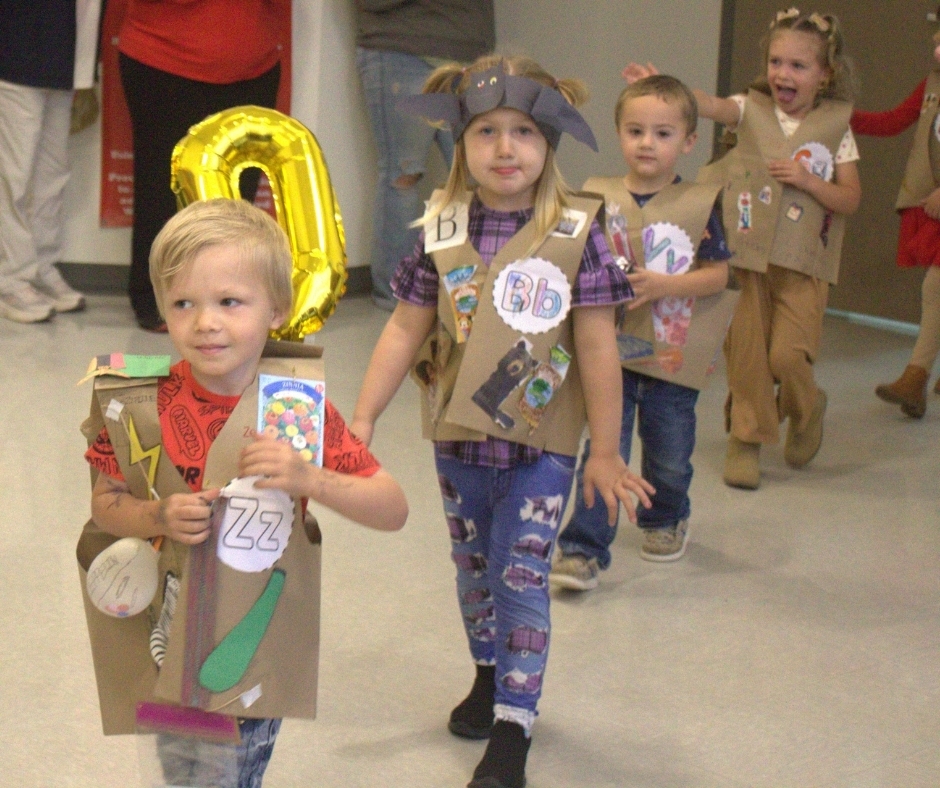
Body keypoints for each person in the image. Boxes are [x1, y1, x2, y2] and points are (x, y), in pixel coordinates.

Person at [350, 55, 654, 788]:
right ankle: (489, 675)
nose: (506, 148)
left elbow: (598, 347)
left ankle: (515, 726)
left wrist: (606, 454)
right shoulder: (440, 227)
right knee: (474, 571)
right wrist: (359, 421)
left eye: (523, 130)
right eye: (486, 131)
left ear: (549, 141)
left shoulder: (581, 230)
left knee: (520, 581)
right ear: (462, 141)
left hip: (542, 449)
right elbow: (401, 330)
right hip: (457, 441)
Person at [84, 199, 408, 786]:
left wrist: (312, 479)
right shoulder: (137, 403)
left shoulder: (296, 409)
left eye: (230, 301)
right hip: (160, 640)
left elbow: (392, 508)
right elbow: (104, 505)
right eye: (184, 303)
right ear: (162, 308)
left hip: (253, 640)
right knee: (177, 772)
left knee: (225, 778)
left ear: (277, 308)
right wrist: (156, 514)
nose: (205, 322)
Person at [549, 75, 731, 591]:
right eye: (635, 131)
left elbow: (719, 275)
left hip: (673, 358)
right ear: (619, 134)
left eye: (663, 133)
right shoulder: (597, 199)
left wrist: (664, 283)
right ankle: (583, 548)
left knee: (669, 449)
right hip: (610, 355)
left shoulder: (701, 205)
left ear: (689, 142)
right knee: (604, 447)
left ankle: (665, 515)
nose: (647, 143)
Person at [675, 7, 861, 489]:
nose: (783, 73)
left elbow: (851, 198)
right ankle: (747, 438)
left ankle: (806, 403)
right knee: (749, 354)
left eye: (798, 66)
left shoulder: (837, 128)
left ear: (825, 75)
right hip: (748, 254)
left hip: (804, 263)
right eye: (776, 62)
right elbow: (711, 105)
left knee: (787, 356)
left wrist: (809, 181)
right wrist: (670, 91)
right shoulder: (750, 107)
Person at [117, 0, 287, 331]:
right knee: (161, 189)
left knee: (238, 202)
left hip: (255, 62)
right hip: (164, 60)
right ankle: (157, 300)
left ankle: (229, 298)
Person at [355, 0, 495, 311]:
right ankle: (396, 297)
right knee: (403, 175)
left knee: (481, 175)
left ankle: (479, 293)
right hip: (401, 46)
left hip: (470, 49)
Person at [851, 21, 940, 418]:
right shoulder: (933, 85)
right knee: (935, 287)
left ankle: (915, 377)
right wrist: (840, 117)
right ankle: (916, 379)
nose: (936, 46)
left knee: (935, 287)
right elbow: (892, 121)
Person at [0, 0, 101, 324]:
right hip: (15, 55)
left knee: (52, 174)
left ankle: (42, 265)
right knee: (12, 177)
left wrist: (86, 73)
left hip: (65, 59)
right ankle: (11, 278)